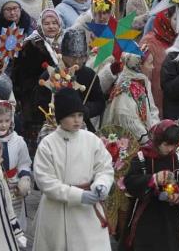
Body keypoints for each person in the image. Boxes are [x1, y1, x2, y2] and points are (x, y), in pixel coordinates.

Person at [32, 87, 114, 251]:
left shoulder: (91, 139)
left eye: (80, 115)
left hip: (87, 211)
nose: (77, 120)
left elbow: (104, 167)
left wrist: (102, 184)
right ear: (60, 117)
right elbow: (45, 181)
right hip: (56, 211)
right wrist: (78, 195)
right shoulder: (48, 144)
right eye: (71, 116)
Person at [122, 120, 179, 251]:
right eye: (166, 144)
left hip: (169, 219)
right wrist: (152, 179)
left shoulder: (177, 160)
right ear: (157, 140)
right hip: (145, 216)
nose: (170, 149)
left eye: (173, 145)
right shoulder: (142, 157)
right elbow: (129, 182)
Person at [0, 100, 32, 232]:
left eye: (7, 120)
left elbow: (24, 162)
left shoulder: (18, 141)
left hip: (14, 187)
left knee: (15, 221)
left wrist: (25, 179)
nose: (4, 125)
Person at [100, 51, 160, 143]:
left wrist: (156, 131)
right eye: (150, 63)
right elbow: (128, 121)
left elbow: (152, 109)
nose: (153, 67)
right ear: (139, 66)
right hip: (129, 145)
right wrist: (148, 140)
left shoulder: (142, 82)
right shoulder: (125, 89)